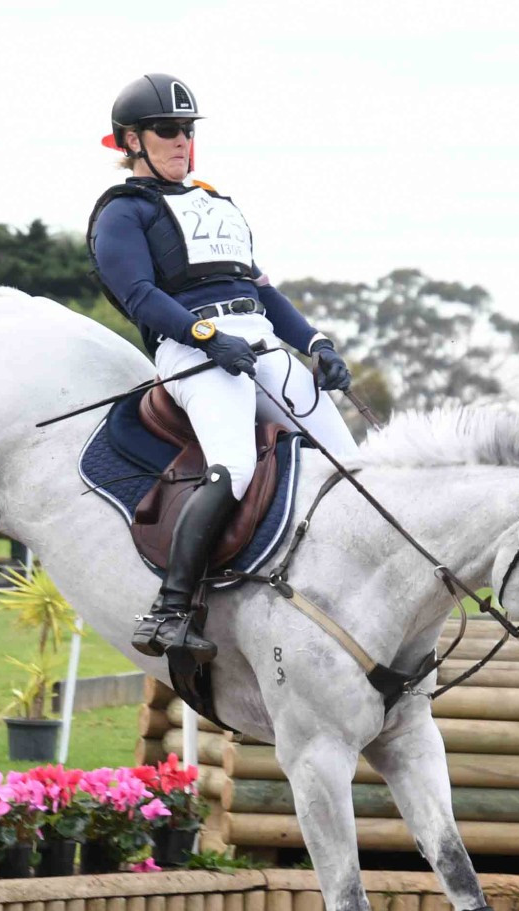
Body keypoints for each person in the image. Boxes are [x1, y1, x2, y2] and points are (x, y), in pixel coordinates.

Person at [87, 73, 359, 662]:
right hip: (192, 351)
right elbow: (137, 294)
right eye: (167, 130)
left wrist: (317, 343)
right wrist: (205, 338)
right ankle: (171, 609)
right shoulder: (122, 213)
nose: (182, 140)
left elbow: (262, 289)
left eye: (186, 129)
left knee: (349, 466)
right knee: (233, 465)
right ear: (130, 141)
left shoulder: (217, 204)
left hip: (259, 341)